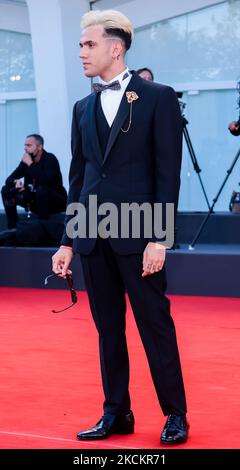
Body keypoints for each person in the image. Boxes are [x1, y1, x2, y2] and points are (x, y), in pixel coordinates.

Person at [52, 9, 188, 445]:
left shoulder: (157, 97)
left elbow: (168, 174)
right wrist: (68, 241)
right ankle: (117, 413)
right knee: (108, 331)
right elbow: (80, 178)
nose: (82, 53)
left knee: (155, 326)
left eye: (89, 45)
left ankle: (175, 415)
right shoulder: (82, 107)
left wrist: (160, 238)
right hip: (93, 237)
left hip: (140, 234)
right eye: (80, 46)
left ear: (116, 47)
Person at [1, 134, 67, 229]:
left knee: (42, 190)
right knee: (5, 190)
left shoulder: (50, 159)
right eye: (25, 145)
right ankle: (13, 228)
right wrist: (16, 183)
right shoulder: (27, 161)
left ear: (40, 147)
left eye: (29, 145)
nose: (25, 148)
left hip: (53, 201)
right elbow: (9, 179)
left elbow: (45, 181)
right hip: (35, 200)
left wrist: (30, 164)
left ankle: (42, 230)